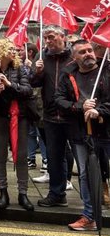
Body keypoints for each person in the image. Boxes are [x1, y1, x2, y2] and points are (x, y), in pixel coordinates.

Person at [55, 39, 110, 231]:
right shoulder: (68, 74)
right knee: (86, 174)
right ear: (74, 57)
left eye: (90, 50)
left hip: (106, 130)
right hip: (81, 133)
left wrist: (100, 111)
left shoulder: (106, 69)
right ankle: (90, 216)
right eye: (82, 52)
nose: (88, 54)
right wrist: (80, 107)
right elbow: (59, 100)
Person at [0, 39, 35, 211]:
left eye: (15, 49)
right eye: (10, 49)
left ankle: (23, 193)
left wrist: (10, 85)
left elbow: (28, 91)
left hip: (19, 117)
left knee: (21, 155)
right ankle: (3, 192)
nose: (14, 51)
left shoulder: (19, 69)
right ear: (0, 51)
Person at [31, 25, 73, 208]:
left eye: (51, 37)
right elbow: (34, 83)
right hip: (50, 116)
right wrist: (37, 72)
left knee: (83, 158)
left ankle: (92, 197)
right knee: (54, 157)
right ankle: (57, 194)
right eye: (45, 38)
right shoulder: (43, 57)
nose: (47, 41)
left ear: (62, 37)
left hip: (73, 116)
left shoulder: (74, 56)